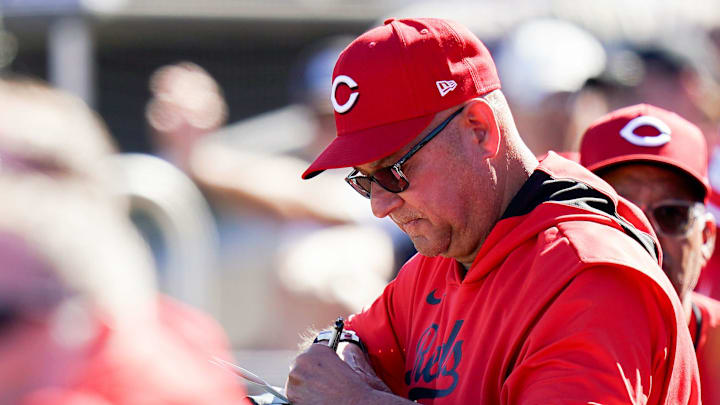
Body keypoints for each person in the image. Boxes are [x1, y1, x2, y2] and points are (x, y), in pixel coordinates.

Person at [286, 17, 700, 404]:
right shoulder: (439, 256)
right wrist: (338, 354)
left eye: (395, 171)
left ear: (479, 129)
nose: (380, 204)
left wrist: (362, 401)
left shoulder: (592, 277)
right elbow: (339, 352)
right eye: (364, 180)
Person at [579, 103, 720, 404]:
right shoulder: (539, 335)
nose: (648, 236)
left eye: (671, 214)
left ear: (706, 238)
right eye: (620, 214)